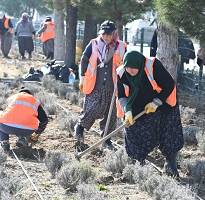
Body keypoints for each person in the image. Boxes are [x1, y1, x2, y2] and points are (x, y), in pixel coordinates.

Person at [116, 50, 184, 178]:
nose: (129, 71)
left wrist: (157, 102)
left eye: (133, 68)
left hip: (164, 103)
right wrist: (128, 112)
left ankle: (170, 163)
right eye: (127, 68)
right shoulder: (122, 73)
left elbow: (169, 84)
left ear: (139, 65)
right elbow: (121, 95)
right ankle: (137, 163)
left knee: (169, 132)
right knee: (133, 130)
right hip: (138, 104)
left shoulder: (153, 65)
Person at [75, 20, 127, 150]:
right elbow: (84, 59)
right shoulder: (93, 44)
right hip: (95, 84)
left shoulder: (122, 46)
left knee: (111, 113)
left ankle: (106, 139)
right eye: (103, 34)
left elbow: (127, 63)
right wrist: (82, 78)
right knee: (92, 108)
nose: (106, 37)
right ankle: (80, 127)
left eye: (108, 34)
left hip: (113, 85)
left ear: (114, 34)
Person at [0, 87, 49, 152]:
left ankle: (4, 143)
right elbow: (44, 120)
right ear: (30, 94)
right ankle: (24, 138)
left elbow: (8, 111)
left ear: (20, 93)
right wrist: (37, 133)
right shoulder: (35, 100)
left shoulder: (13, 97)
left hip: (6, 126)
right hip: (28, 130)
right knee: (33, 120)